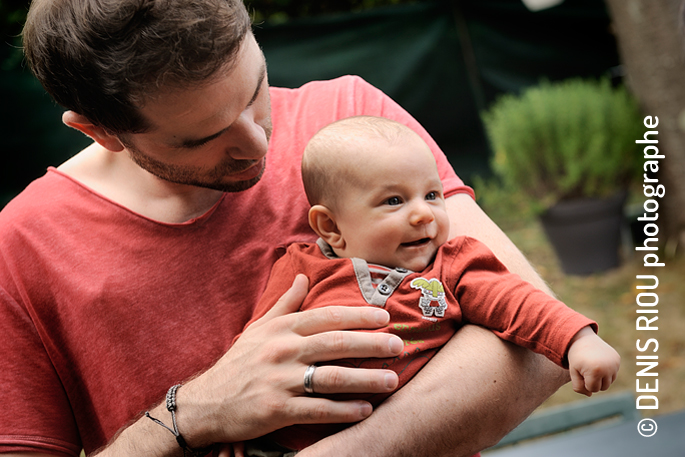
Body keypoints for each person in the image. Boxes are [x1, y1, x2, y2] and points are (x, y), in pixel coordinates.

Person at [1, 0, 570, 456]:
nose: (258, 144)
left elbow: (537, 343)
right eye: (201, 138)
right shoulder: (23, 249)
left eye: (254, 92)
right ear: (99, 130)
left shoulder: (353, 122)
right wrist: (189, 415)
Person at [232, 116, 620, 455]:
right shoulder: (300, 269)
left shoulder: (453, 267)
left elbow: (517, 301)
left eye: (432, 195)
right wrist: (237, 425)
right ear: (331, 227)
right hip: (284, 444)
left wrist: (577, 340)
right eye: (394, 200)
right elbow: (257, 350)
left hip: (416, 444)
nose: (423, 214)